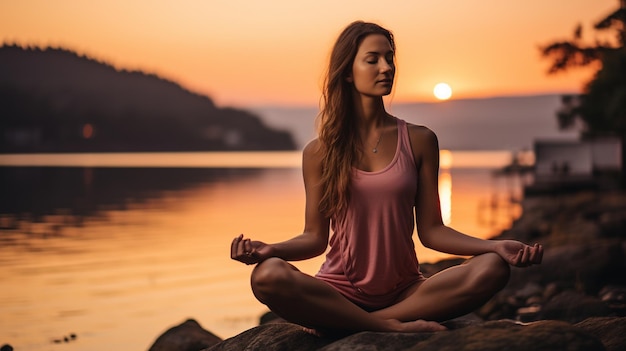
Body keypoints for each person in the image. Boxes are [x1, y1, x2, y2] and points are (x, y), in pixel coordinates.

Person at [231, 20, 543, 335]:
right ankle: (390, 326)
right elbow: (314, 238)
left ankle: (367, 323)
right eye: (373, 59)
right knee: (266, 276)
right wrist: (271, 250)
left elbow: (433, 231)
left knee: (492, 268)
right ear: (348, 72)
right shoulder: (319, 153)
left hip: (406, 293)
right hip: (339, 292)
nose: (386, 67)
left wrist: (496, 246)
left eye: (389, 58)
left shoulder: (420, 140)